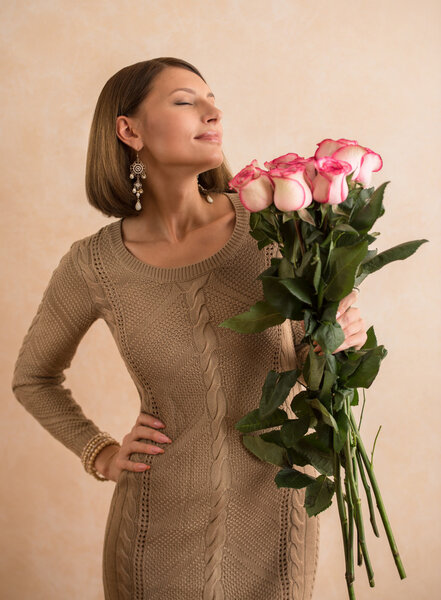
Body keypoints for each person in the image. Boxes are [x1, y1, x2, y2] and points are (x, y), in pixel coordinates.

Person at [11, 57, 367, 600]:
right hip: (155, 535)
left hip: (275, 526)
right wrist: (100, 453)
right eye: (185, 101)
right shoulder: (95, 265)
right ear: (129, 130)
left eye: (212, 99)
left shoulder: (278, 230)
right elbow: (32, 378)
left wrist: (339, 342)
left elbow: (318, 374)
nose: (213, 112)